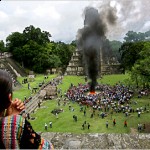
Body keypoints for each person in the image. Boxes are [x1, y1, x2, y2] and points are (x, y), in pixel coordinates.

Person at [0, 69, 54, 149]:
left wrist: (8, 117)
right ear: (9, 97)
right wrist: (10, 119)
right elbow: (48, 148)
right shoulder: (15, 124)